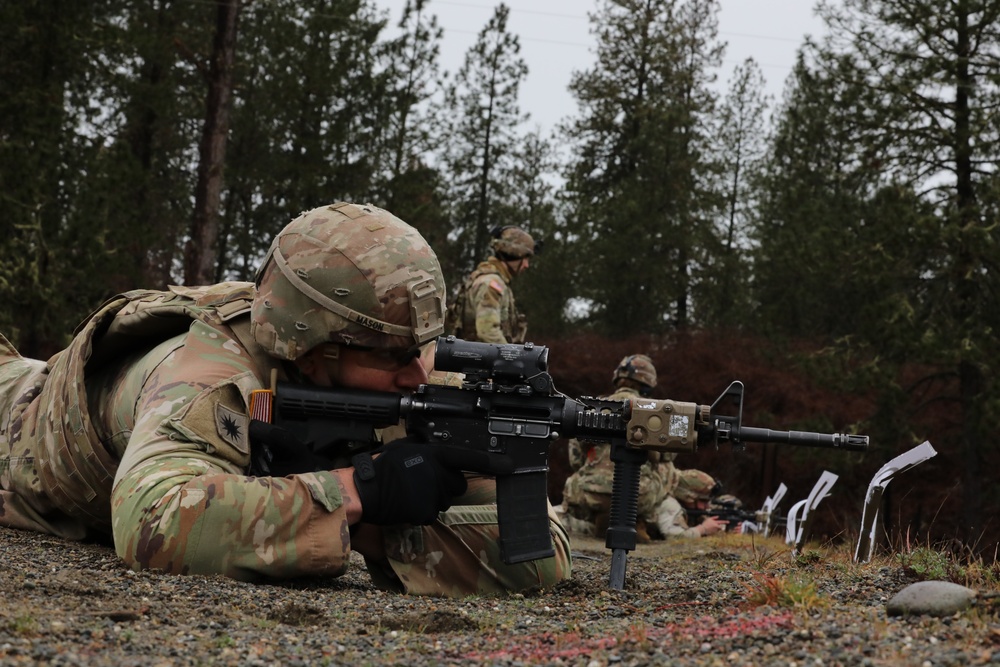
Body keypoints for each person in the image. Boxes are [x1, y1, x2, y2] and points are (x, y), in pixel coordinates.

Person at [0, 202, 571, 597]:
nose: (418, 373)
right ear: (312, 349)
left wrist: (371, 525)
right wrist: (355, 491)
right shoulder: (208, 372)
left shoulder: (410, 388)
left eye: (426, 347)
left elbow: (537, 550)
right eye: (391, 356)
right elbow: (154, 521)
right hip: (18, 420)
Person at [560, 354, 677, 543]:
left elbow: (575, 460)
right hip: (639, 495)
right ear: (648, 384)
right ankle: (638, 520)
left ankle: (598, 516)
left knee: (584, 472)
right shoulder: (654, 411)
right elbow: (668, 455)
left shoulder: (592, 408)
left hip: (588, 492)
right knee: (668, 469)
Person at [444, 225, 535, 344]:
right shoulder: (491, 284)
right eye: (525, 258)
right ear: (514, 254)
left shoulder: (493, 281)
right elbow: (487, 331)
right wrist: (510, 358)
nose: (526, 265)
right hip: (478, 360)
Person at [655, 469, 730, 538]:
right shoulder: (669, 504)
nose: (706, 506)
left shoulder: (690, 509)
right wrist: (702, 529)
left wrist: (728, 529)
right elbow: (675, 537)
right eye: (703, 501)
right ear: (688, 497)